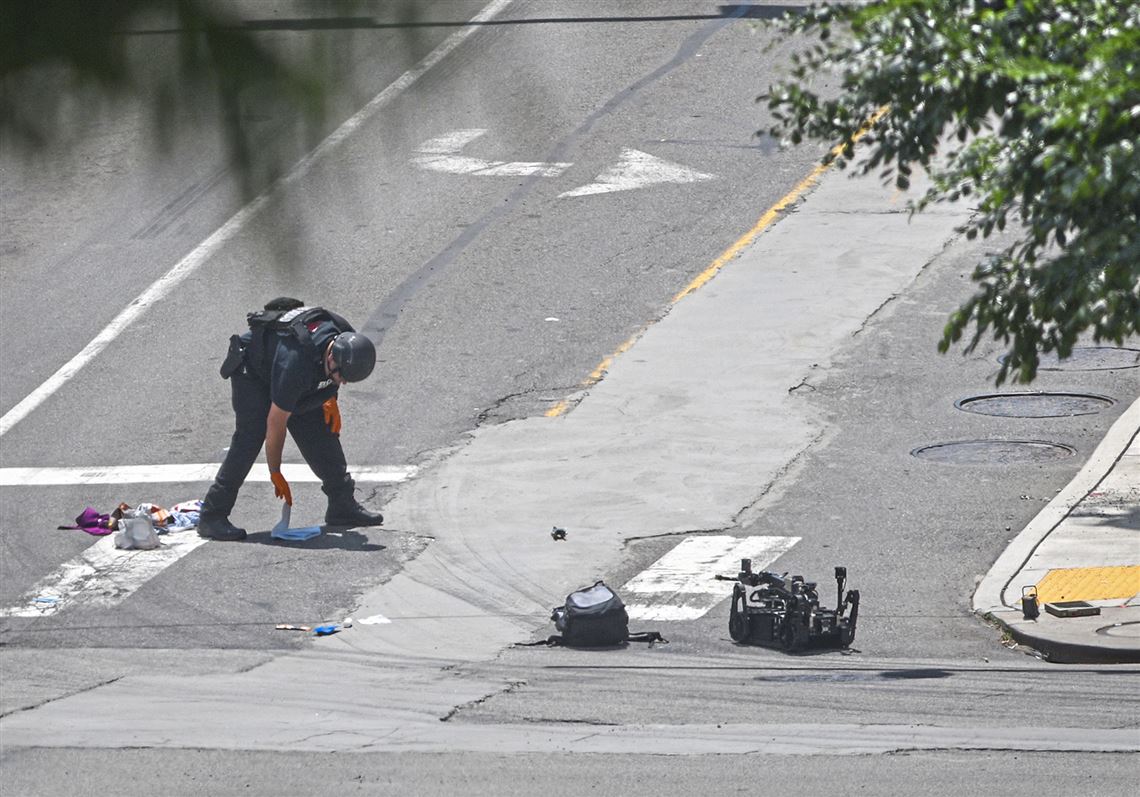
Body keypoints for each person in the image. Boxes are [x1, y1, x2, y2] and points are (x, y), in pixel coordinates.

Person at [198, 298, 385, 541]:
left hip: (294, 373)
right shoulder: (296, 363)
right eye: (341, 377)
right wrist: (275, 471)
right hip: (254, 373)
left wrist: (330, 398)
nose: (344, 382)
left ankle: (342, 505)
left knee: (320, 433)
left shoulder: (344, 335)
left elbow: (330, 378)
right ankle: (212, 516)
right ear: (331, 358)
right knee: (251, 436)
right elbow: (276, 423)